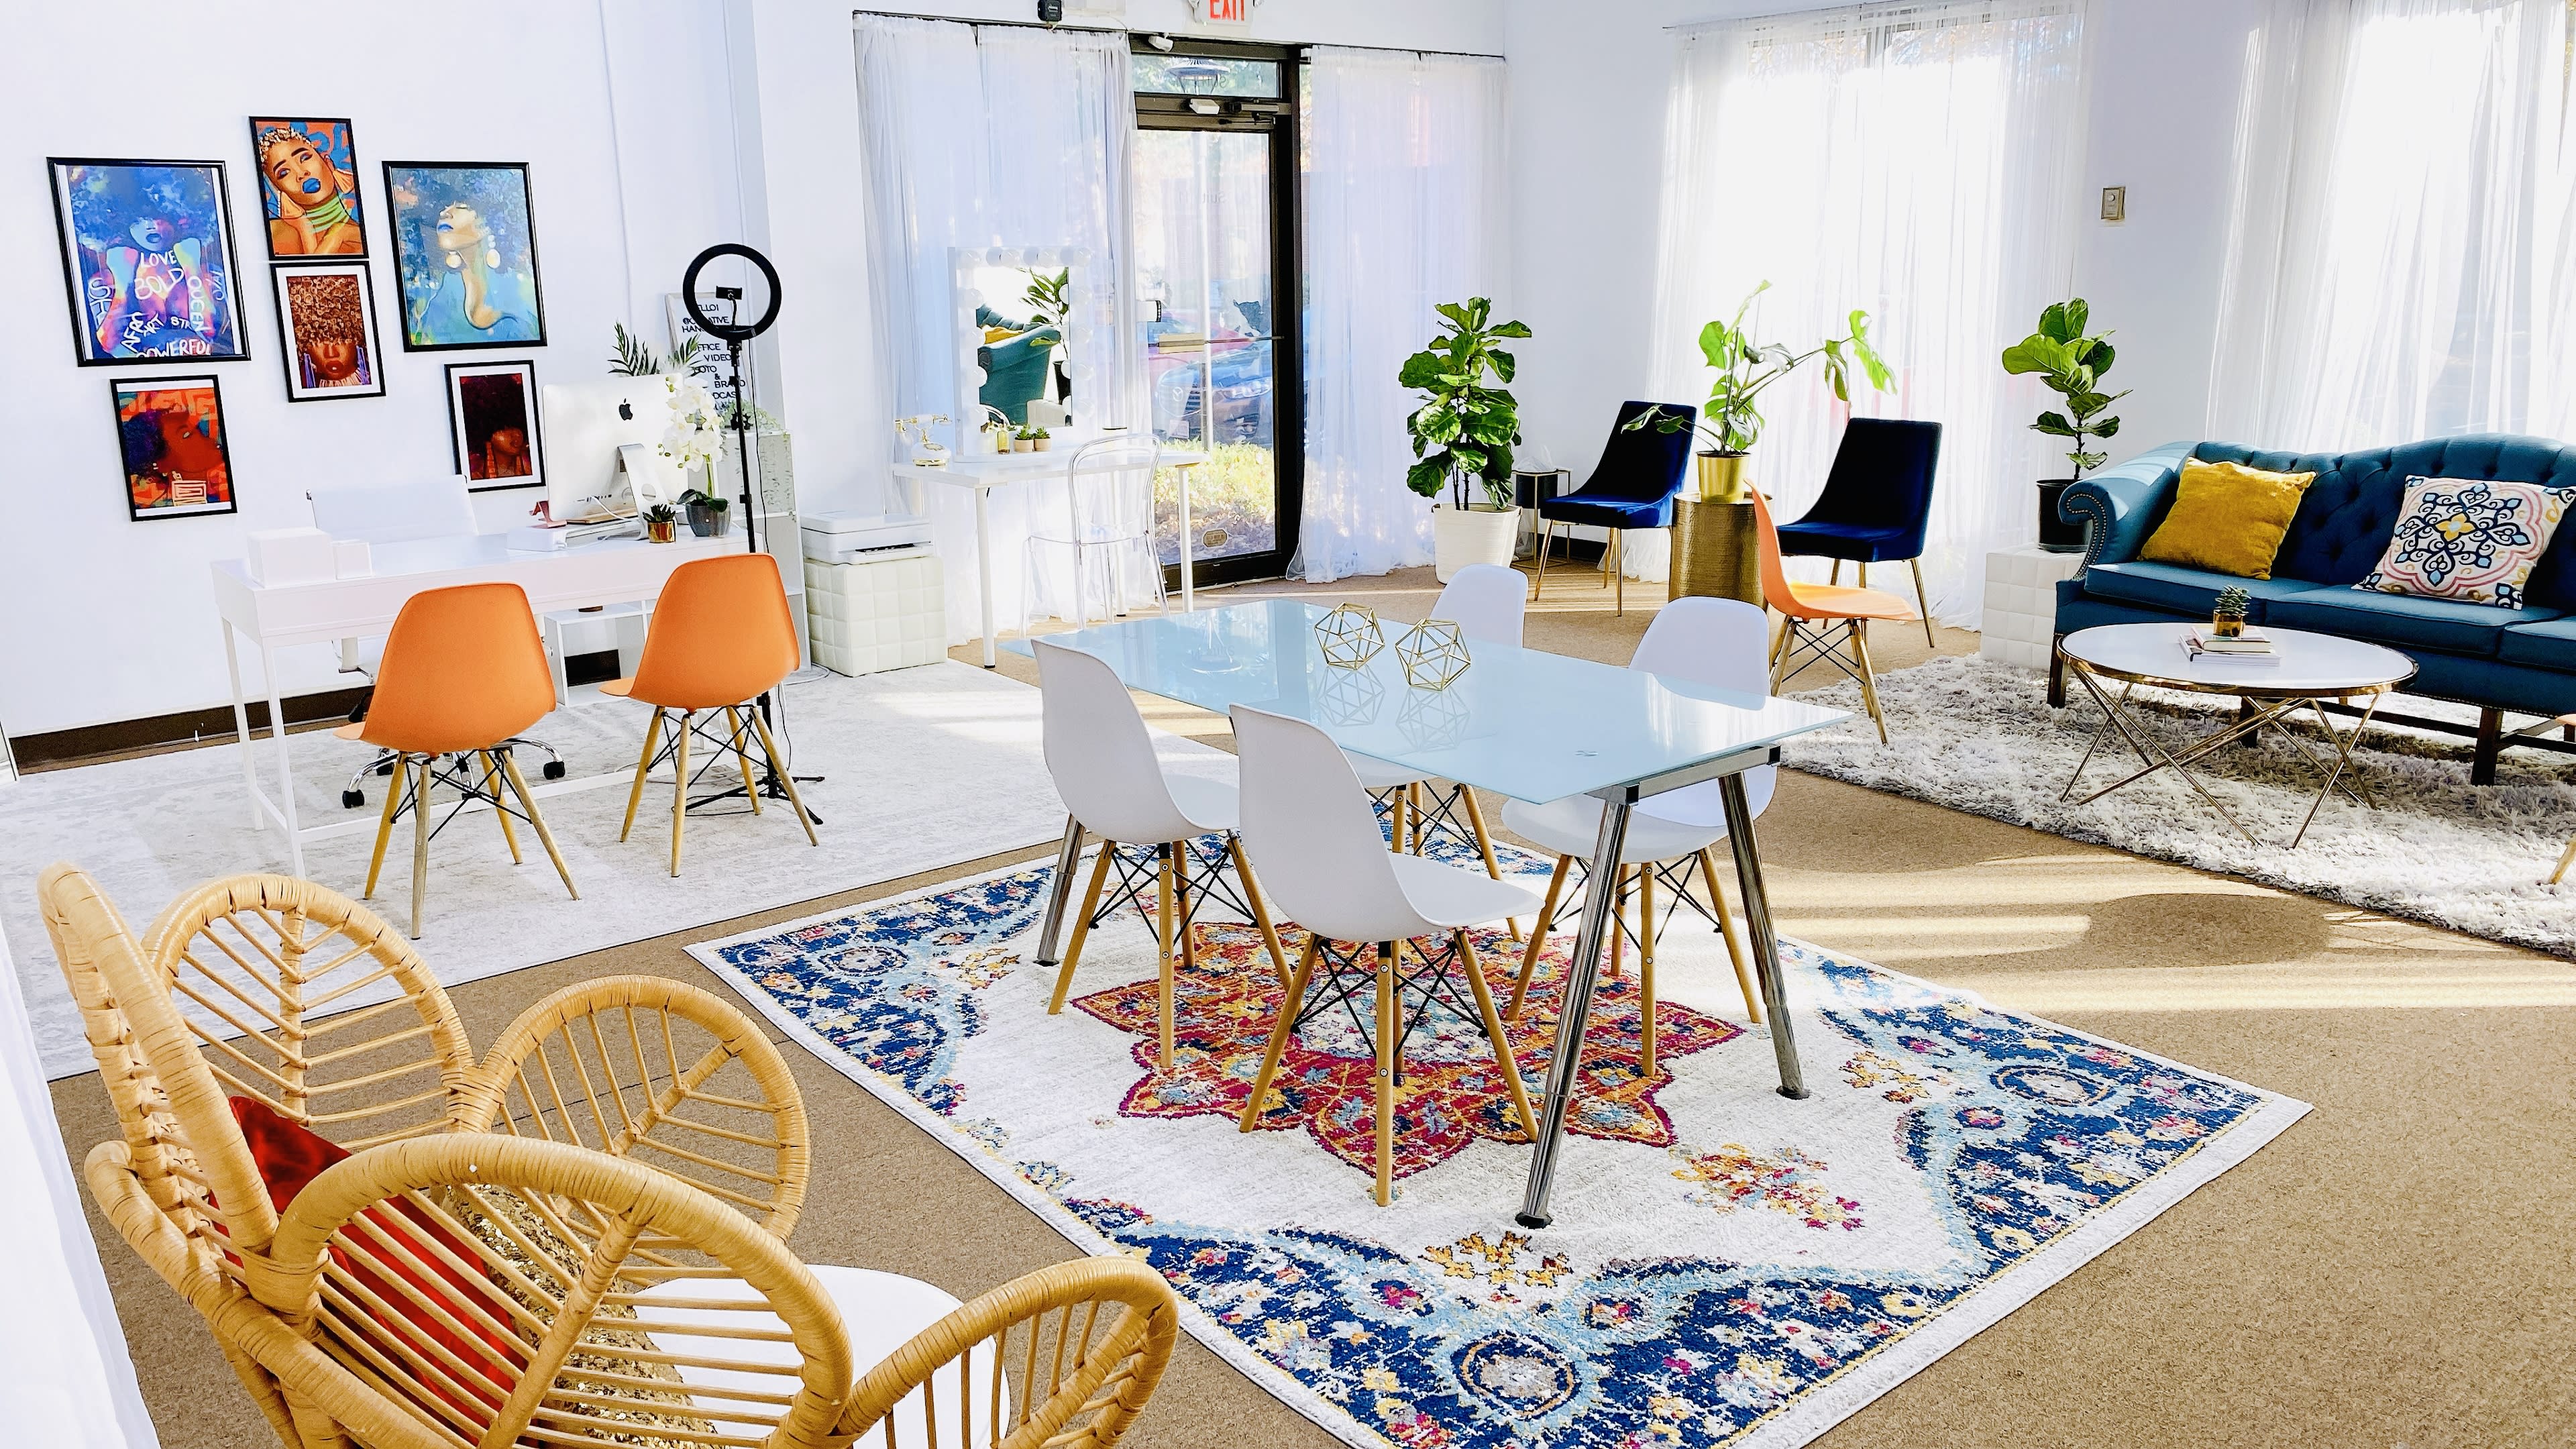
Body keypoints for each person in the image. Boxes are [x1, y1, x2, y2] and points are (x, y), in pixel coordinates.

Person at [412, 203, 538, 343]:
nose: (445, 213)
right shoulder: (444, 294)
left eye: (461, 206)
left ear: (486, 224)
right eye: (444, 207)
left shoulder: (522, 289)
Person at [258, 125, 364, 255]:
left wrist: (339, 234)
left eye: (304, 158)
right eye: (284, 172)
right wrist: (305, 228)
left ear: (328, 163)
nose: (301, 173)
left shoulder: (365, 232)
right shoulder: (274, 235)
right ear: (278, 190)